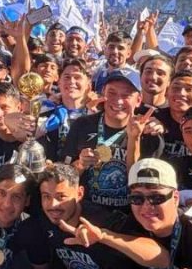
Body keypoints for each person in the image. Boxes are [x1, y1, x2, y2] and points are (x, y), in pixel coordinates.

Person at [62, 69, 163, 211]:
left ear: (138, 100)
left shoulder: (149, 134)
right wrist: (81, 164)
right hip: (86, 210)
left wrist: (134, 138)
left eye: (126, 95)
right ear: (103, 94)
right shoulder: (82, 125)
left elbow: (141, 184)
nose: (118, 100)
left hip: (129, 215)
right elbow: (63, 178)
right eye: (112, 93)